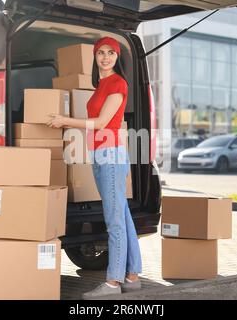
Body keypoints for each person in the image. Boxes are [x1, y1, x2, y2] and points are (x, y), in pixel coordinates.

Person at [47, 36, 142, 299]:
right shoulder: (99, 84)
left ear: (117, 57)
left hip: (111, 155)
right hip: (101, 154)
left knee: (114, 221)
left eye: (111, 53)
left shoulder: (117, 83)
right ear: (95, 56)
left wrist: (63, 120)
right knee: (122, 216)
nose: (106, 57)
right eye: (101, 53)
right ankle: (132, 276)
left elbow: (101, 122)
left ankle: (113, 283)